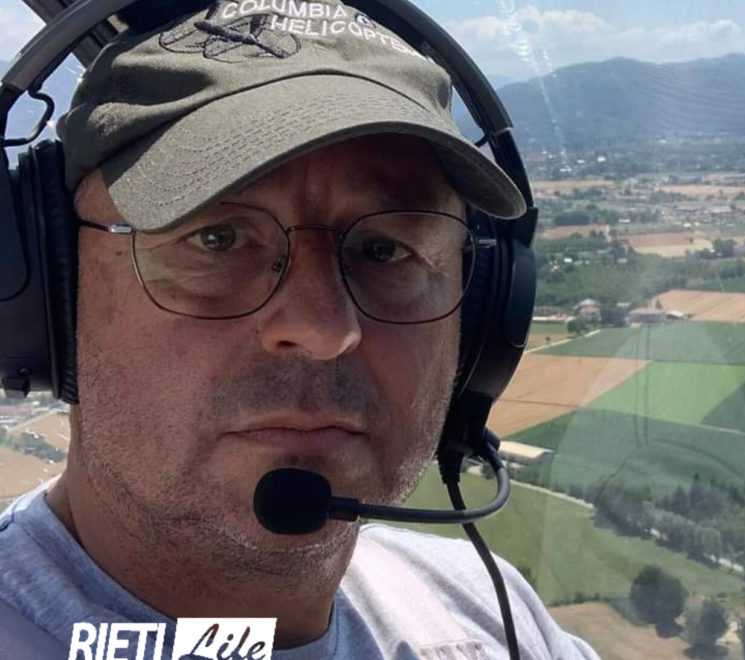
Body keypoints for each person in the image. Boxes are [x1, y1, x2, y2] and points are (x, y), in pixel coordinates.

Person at [0, 1, 597, 657]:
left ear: (486, 308)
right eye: (218, 239)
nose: (321, 329)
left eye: (385, 251)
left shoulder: (488, 614)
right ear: (46, 292)